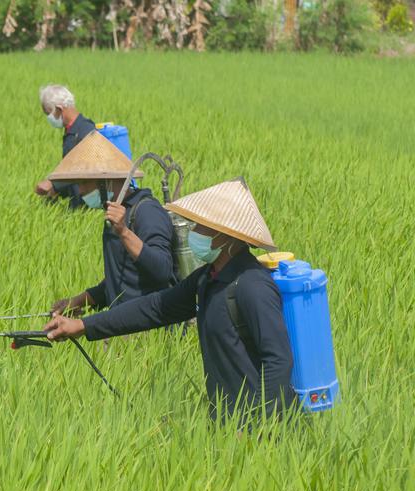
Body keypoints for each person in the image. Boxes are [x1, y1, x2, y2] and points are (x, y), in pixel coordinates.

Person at [45, 177, 296, 423]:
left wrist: (257, 427)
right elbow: (155, 307)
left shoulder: (252, 285)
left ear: (226, 234)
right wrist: (83, 326)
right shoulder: (207, 279)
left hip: (261, 431)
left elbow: (279, 361)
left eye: (201, 226)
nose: (194, 233)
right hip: (228, 425)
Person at [48, 131, 175, 317]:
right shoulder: (115, 214)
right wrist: (76, 302)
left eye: (84, 183)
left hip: (149, 331)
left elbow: (163, 270)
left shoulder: (147, 212)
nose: (80, 191)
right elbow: (121, 279)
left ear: (106, 182)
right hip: (120, 326)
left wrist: (124, 232)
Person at [35, 84, 97, 209]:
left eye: (48, 113)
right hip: (76, 202)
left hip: (89, 205)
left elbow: (87, 168)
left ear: (59, 108)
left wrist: (54, 184)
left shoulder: (86, 130)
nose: (49, 118)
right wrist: (56, 190)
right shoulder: (71, 130)